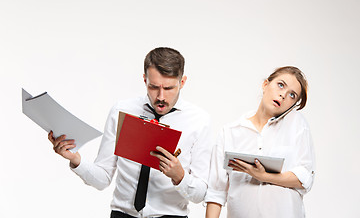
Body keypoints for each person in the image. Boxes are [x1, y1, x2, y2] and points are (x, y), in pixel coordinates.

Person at [48, 47, 211, 218]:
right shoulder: (122, 110)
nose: (161, 96)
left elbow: (200, 194)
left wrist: (180, 176)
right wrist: (75, 158)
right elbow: (102, 179)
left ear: (182, 82)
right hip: (122, 214)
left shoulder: (199, 121)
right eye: (154, 87)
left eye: (169, 88)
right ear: (144, 79)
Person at [205, 66, 316, 218]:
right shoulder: (230, 131)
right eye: (281, 85)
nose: (283, 95)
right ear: (265, 85)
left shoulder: (297, 124)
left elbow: (305, 178)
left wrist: (265, 176)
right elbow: (216, 192)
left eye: (292, 95)